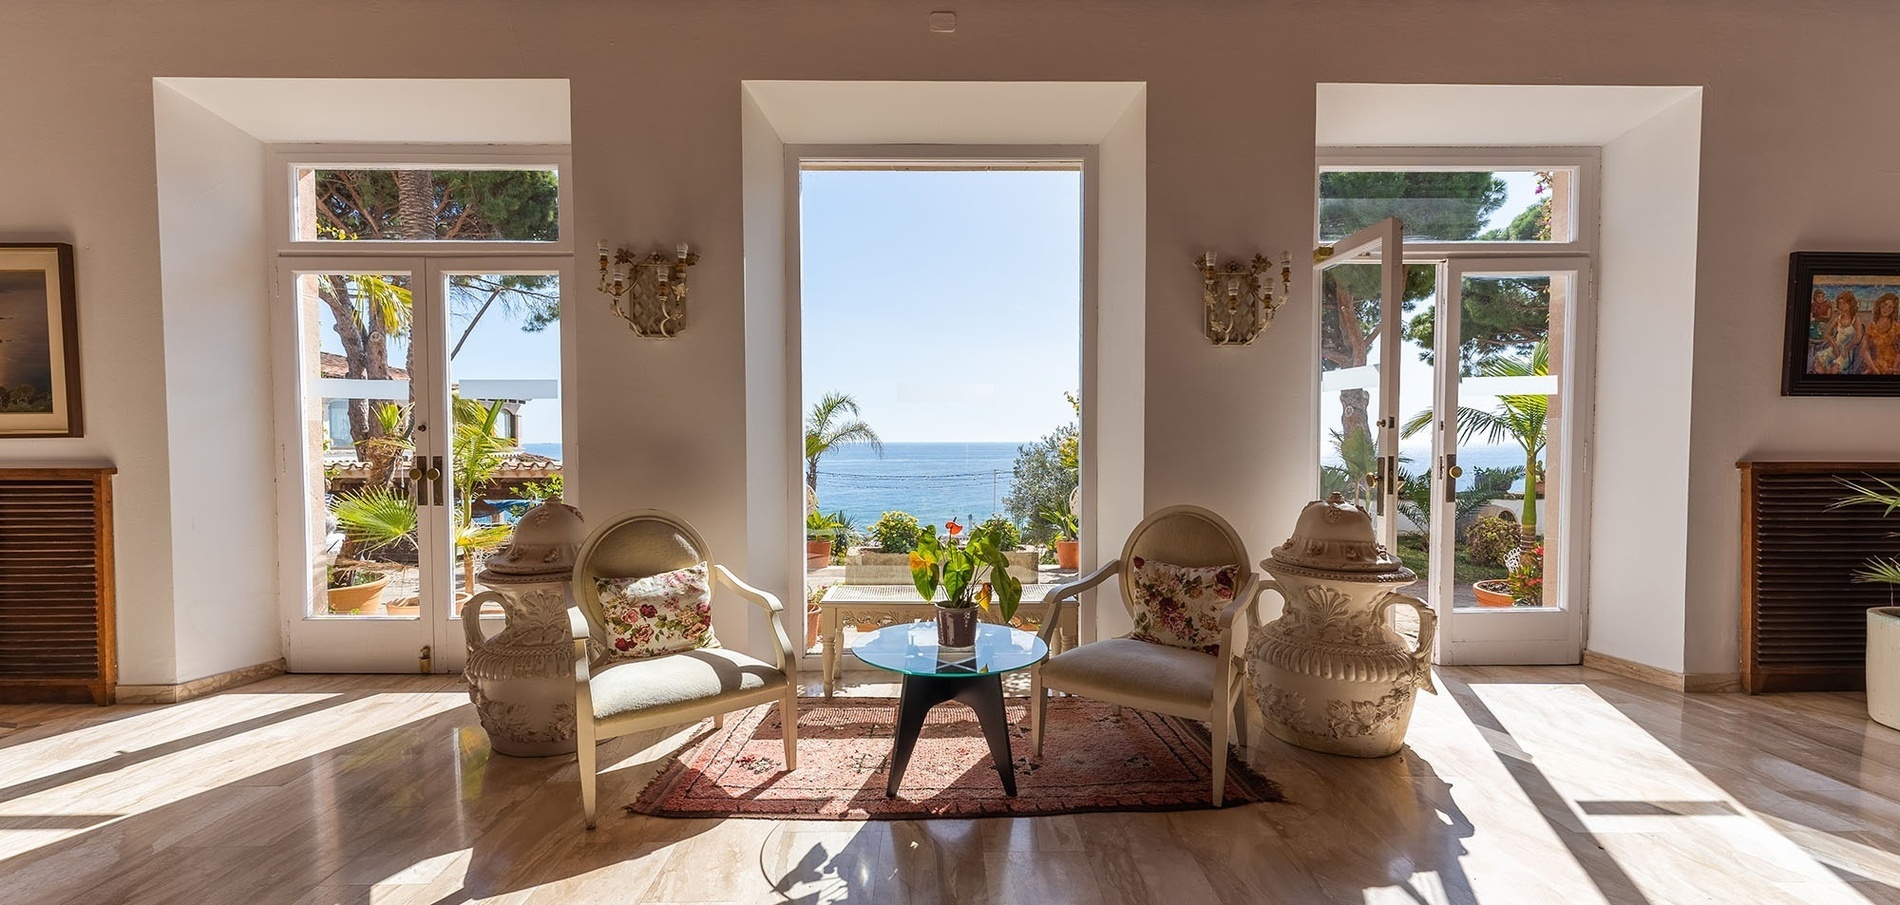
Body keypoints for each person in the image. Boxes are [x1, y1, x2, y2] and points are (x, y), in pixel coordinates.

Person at [1812, 290, 1864, 374]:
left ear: (1850, 304)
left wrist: (1846, 348)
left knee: (1834, 367)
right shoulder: (1838, 319)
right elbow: (1827, 334)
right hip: (1835, 347)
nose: (1841, 306)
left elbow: (1858, 338)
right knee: (1819, 361)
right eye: (1839, 303)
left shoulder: (1855, 319)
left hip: (1847, 351)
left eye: (1843, 303)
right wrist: (1834, 345)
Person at [1864, 292, 1900, 375]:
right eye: (1884, 305)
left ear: (1893, 310)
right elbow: (1865, 350)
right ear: (1880, 304)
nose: (1886, 309)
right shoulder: (1872, 327)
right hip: (1877, 364)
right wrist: (1873, 367)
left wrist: (1895, 367)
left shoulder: (1896, 326)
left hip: (1893, 365)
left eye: (1890, 307)